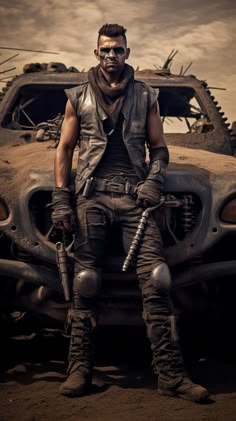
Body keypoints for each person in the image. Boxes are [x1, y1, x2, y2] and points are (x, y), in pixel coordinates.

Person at [51, 23, 209, 402]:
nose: (111, 56)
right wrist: (60, 197)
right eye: (105, 49)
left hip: (137, 200)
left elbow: (159, 148)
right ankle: (79, 370)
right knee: (85, 280)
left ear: (127, 53)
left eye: (118, 49)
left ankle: (171, 374)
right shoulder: (78, 95)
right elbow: (65, 148)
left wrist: (155, 179)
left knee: (158, 278)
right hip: (92, 198)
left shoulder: (145, 94)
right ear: (96, 53)